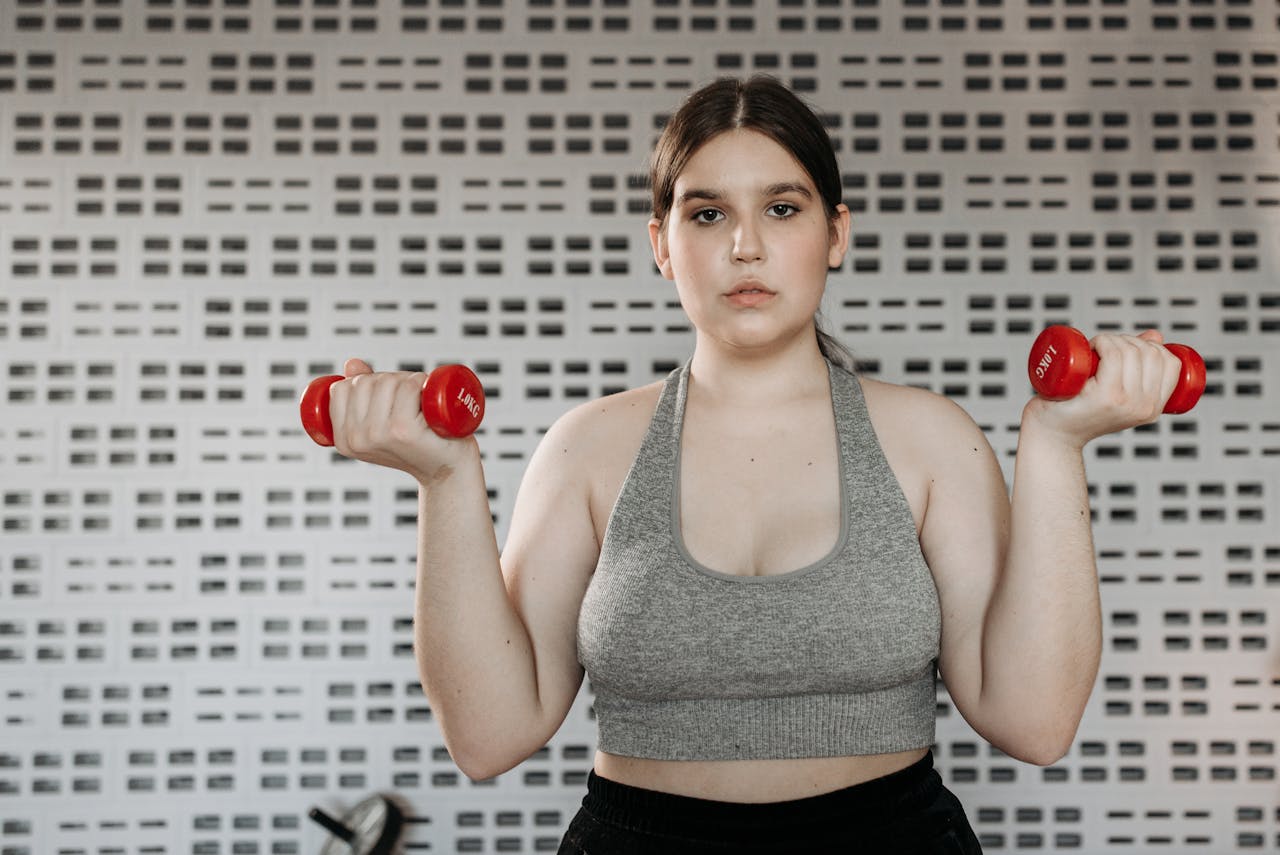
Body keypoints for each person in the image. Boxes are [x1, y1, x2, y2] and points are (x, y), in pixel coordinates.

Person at [323, 76, 1185, 853]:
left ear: (835, 233)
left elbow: (1033, 721)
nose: (745, 246)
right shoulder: (585, 449)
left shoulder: (928, 441)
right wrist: (443, 478)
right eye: (706, 213)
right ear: (661, 242)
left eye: (782, 208)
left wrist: (1058, 443)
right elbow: (489, 734)